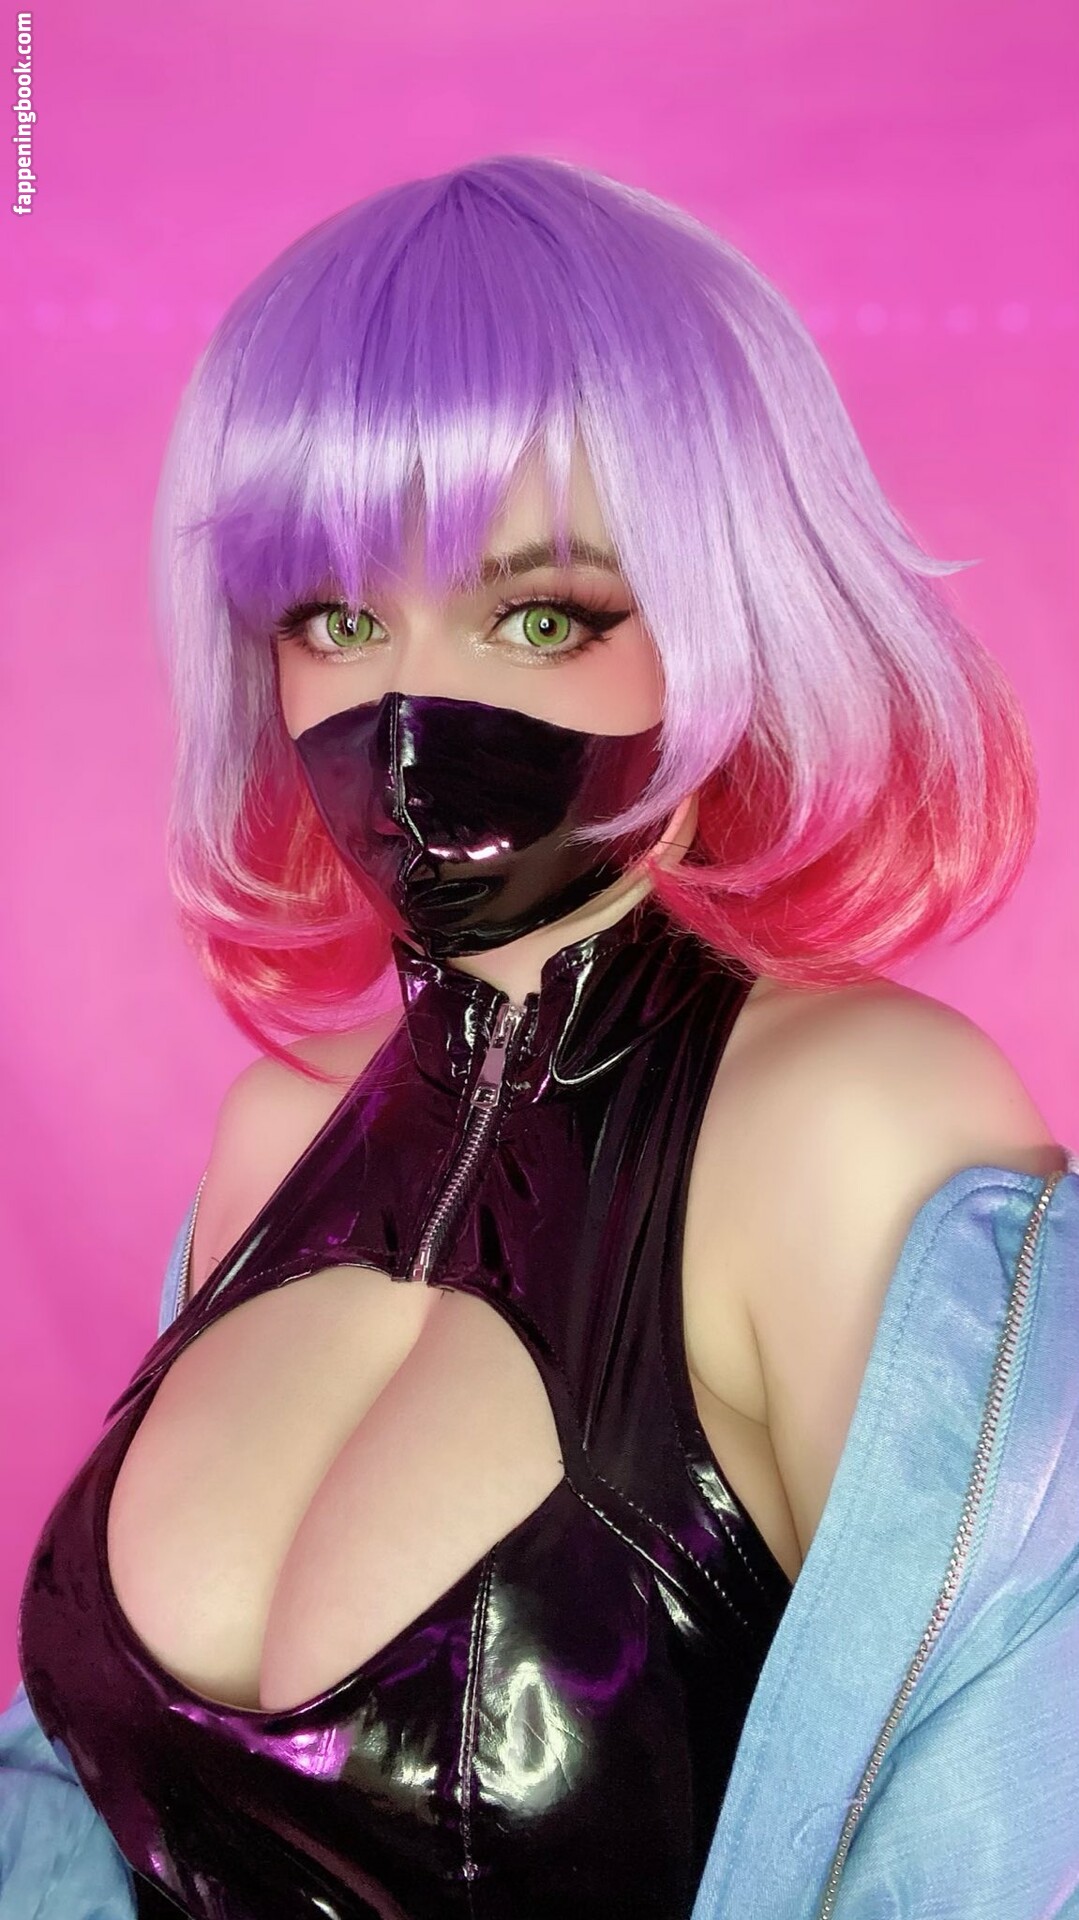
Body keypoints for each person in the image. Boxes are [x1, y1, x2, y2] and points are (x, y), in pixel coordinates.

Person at [4, 153, 1077, 1920]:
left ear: (726, 617)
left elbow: (1009, 1845)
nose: (409, 714)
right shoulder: (273, 1140)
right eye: (338, 617)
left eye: (542, 614)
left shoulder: (851, 1129)